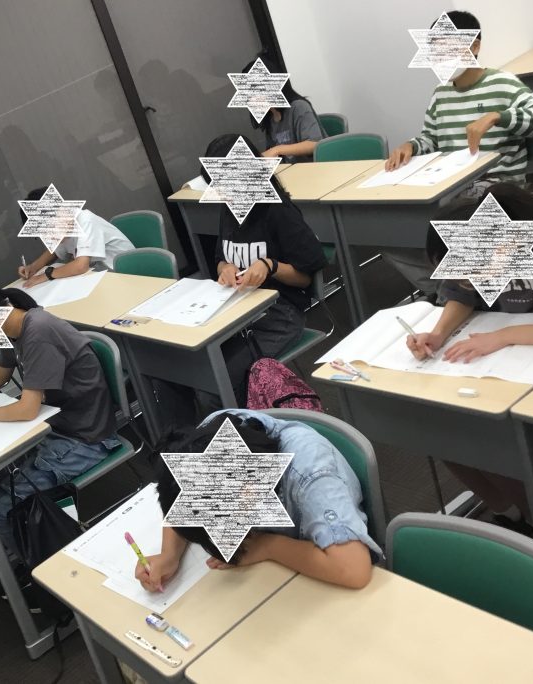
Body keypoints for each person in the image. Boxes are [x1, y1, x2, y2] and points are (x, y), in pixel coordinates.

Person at [406, 184, 533, 534]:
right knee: (445, 428)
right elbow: (462, 296)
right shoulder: (480, 240)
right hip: (517, 362)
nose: (468, 284)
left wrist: (505, 336)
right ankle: (516, 516)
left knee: (517, 444)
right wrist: (439, 333)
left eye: (471, 277)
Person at [0, 280, 121, 553]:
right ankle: (28, 546)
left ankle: (40, 567)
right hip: (55, 426)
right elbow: (0, 373)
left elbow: (28, 409)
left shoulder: (38, 331)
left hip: (86, 438)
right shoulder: (10, 325)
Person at [383, 10, 533, 298]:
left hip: (499, 188)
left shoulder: (503, 83)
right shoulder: (441, 94)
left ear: (474, 46)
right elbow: (431, 138)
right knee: (389, 231)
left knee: (457, 225)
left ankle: (456, 293)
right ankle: (451, 289)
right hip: (451, 187)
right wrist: (411, 146)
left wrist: (498, 116)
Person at [134, 409, 381, 591]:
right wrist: (169, 554)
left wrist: (267, 546)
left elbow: (353, 569)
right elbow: (182, 493)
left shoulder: (312, 474)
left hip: (323, 571)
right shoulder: (205, 439)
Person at [207, 133, 327, 406]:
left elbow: (305, 277)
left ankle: (247, 425)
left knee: (220, 380)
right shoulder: (230, 209)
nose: (223, 191)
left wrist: (270, 266)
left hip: (280, 314)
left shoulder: (278, 211)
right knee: (201, 365)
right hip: (239, 310)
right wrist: (225, 267)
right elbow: (220, 257)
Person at [17, 187, 134, 288]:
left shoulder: (85, 220)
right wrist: (33, 267)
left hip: (127, 275)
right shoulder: (63, 228)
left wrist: (46, 275)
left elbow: (80, 266)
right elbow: (55, 251)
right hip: (103, 276)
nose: (49, 238)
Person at [247, 52, 326, 163]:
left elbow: (314, 144)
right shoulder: (269, 118)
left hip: (315, 168)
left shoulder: (298, 107)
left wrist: (277, 150)